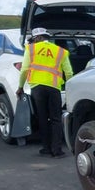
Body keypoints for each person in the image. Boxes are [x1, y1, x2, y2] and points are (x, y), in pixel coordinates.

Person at [17, 27, 73, 158]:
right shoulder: (61, 51)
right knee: (56, 118)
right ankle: (57, 150)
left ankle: (46, 148)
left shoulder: (30, 49)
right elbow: (69, 72)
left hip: (37, 87)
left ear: (37, 38)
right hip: (54, 87)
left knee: (42, 117)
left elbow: (24, 69)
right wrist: (70, 88)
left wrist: (20, 87)